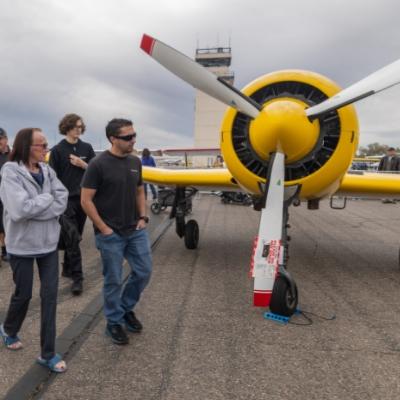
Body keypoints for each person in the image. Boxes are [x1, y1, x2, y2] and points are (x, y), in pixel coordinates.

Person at [0, 128, 68, 373]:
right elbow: (19, 210)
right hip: (22, 246)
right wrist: (47, 200)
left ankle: (47, 353)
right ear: (27, 146)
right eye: (41, 145)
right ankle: (8, 329)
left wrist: (39, 207)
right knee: (24, 294)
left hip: (49, 244)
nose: (46, 148)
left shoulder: (48, 170)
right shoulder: (10, 172)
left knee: (50, 297)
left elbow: (62, 198)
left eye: (46, 144)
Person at [81, 118, 152, 345]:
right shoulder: (98, 164)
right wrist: (103, 228)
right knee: (113, 279)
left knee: (143, 272)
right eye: (127, 137)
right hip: (110, 234)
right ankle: (113, 322)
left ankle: (125, 308)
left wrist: (143, 216)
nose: (133, 140)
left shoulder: (134, 162)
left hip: (135, 229)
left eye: (134, 135)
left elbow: (140, 191)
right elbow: (86, 200)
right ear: (113, 139)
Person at [49, 114, 96, 295]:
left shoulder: (87, 147)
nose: (79, 129)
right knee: (73, 238)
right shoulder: (58, 150)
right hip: (65, 201)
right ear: (67, 127)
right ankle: (78, 277)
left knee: (76, 236)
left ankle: (67, 267)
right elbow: (52, 178)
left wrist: (83, 164)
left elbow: (95, 171)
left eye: (80, 126)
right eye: (76, 126)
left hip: (84, 200)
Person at [0, 127, 11, 264]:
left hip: (8, 195)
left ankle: (7, 248)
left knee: (6, 223)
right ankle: (3, 249)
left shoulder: (13, 155)